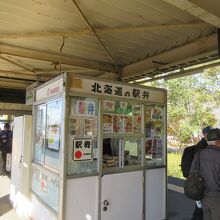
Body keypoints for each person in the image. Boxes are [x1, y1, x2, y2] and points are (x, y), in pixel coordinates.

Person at [182, 126, 213, 220]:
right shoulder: (204, 147)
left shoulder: (201, 146)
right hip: (203, 182)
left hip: (198, 182)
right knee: (202, 209)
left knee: (200, 208)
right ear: (205, 134)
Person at [190, 128, 220, 220]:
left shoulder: (199, 153)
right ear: (218, 141)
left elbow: (192, 173)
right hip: (217, 196)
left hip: (203, 195)